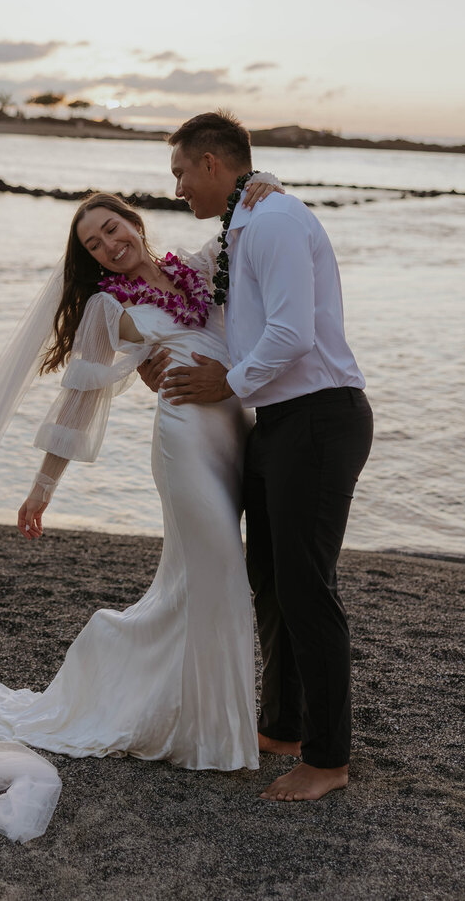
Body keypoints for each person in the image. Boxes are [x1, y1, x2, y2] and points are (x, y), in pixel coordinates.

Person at [0, 186, 279, 772]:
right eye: (94, 244)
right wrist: (42, 488)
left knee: (200, 580)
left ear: (134, 223)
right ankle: (211, 734)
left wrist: (258, 186)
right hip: (184, 439)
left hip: (234, 432)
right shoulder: (106, 308)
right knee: (217, 567)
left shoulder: (194, 269)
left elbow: (236, 236)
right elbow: (79, 398)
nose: (109, 246)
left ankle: (193, 712)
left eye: (112, 230)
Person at [143, 110, 373, 802]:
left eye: (181, 171)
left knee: (306, 586)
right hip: (278, 422)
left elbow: (293, 333)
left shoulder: (273, 222)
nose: (178, 187)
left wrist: (228, 382)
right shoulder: (244, 225)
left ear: (213, 163)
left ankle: (329, 759)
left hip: (320, 418)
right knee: (270, 578)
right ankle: (285, 724)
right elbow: (228, 321)